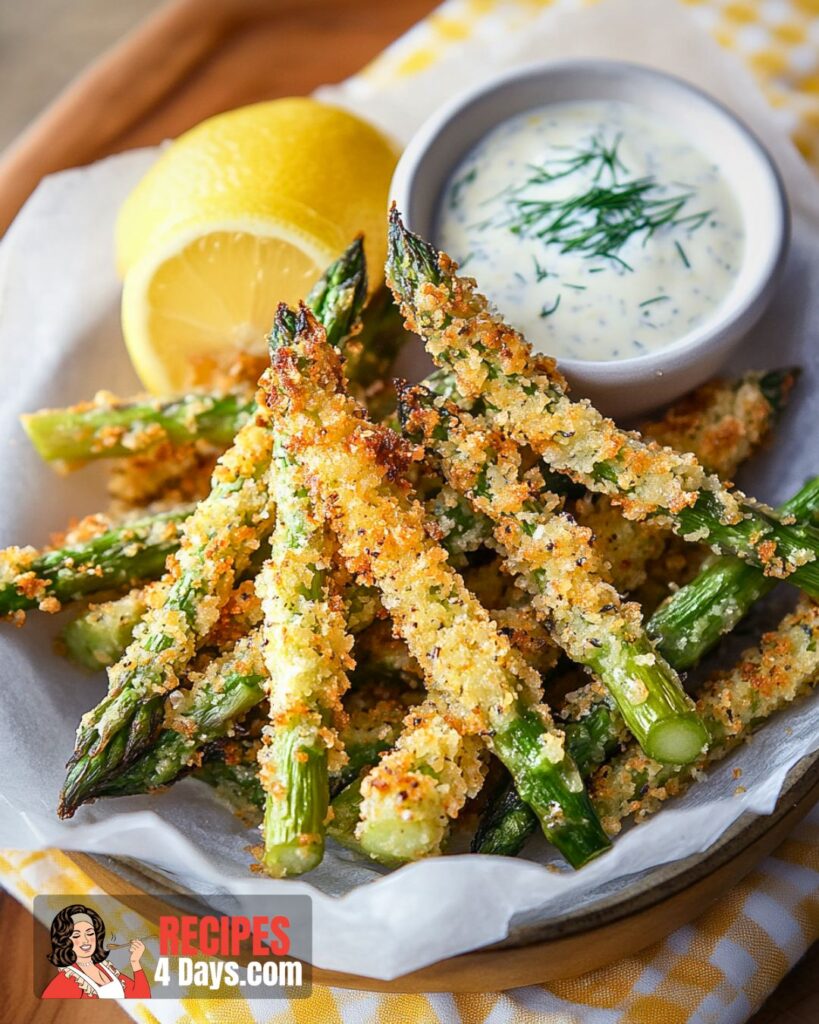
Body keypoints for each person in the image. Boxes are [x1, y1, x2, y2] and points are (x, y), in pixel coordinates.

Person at [41, 904, 150, 999]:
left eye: (90, 933)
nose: (86, 940)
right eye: (76, 935)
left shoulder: (106, 968)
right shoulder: (67, 981)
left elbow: (141, 997)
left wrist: (135, 962)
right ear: (64, 941)